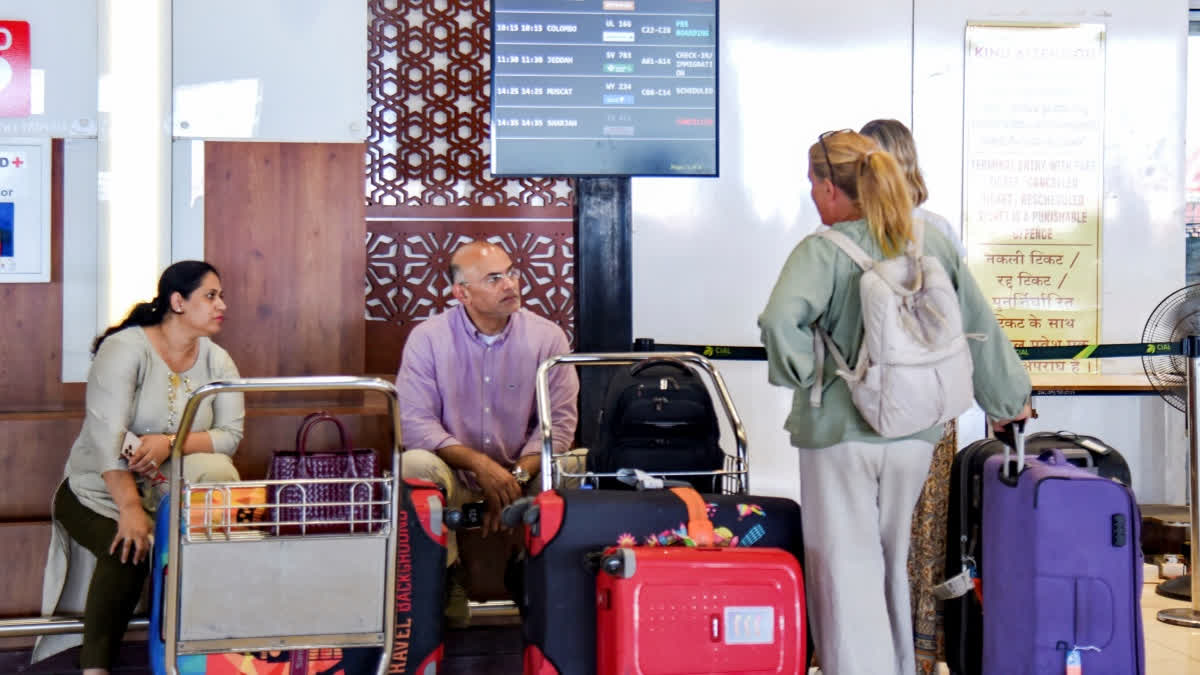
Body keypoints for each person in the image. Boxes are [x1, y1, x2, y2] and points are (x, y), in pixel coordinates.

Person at [758, 130, 1031, 675]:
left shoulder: (823, 250)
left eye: (813, 185)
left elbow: (778, 320)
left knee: (844, 570)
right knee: (891, 567)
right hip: (913, 433)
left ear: (831, 189)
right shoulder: (929, 241)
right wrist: (1009, 401)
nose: (812, 197)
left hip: (840, 433)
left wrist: (809, 375)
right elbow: (980, 325)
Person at [33, 260, 244, 674]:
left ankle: (196, 660)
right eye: (211, 295)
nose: (222, 305)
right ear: (178, 301)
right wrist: (129, 509)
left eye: (220, 296)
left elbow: (229, 437)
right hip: (95, 490)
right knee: (127, 547)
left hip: (170, 493)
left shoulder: (218, 361)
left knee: (215, 544)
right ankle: (95, 668)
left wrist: (169, 443)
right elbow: (108, 437)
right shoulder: (126, 349)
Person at [395, 240, 579, 628]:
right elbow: (414, 423)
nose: (510, 284)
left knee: (576, 467)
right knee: (413, 464)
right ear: (461, 293)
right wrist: (481, 467)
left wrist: (513, 478)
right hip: (456, 474)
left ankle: (532, 569)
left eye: (511, 272)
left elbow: (559, 424)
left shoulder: (548, 338)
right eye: (494, 278)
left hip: (522, 473)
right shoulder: (428, 337)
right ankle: (445, 574)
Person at [860, 117, 962, 673]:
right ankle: (895, 653)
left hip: (904, 409)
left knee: (909, 536)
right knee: (900, 534)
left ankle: (903, 655)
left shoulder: (927, 231)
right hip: (899, 409)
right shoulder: (860, 230)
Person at [860, 118, 966, 260]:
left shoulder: (938, 228)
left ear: (901, 165)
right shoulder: (838, 234)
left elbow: (956, 279)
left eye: (876, 162)